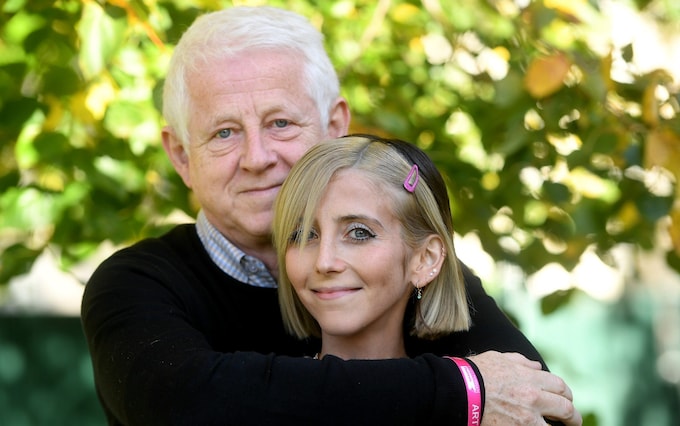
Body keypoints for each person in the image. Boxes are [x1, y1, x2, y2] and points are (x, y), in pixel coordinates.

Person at [81, 5, 581, 426]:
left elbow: (529, 401)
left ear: (334, 127)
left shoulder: (402, 271)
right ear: (181, 156)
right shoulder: (136, 284)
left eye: (280, 123)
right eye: (224, 133)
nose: (257, 157)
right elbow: (186, 401)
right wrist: (462, 391)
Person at [274, 135, 472, 362]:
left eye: (359, 233)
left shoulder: (463, 396)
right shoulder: (259, 393)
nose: (324, 262)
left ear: (425, 258)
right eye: (303, 235)